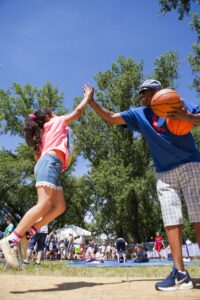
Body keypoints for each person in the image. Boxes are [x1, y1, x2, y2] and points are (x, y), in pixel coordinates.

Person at [89, 79, 200, 291]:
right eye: (140, 93)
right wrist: (92, 102)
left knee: (198, 218)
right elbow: (111, 118)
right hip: (163, 172)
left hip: (190, 163)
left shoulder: (177, 102)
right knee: (170, 221)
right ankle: (180, 274)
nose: (142, 96)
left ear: (159, 92)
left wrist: (188, 117)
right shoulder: (139, 114)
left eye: (146, 92)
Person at [0, 84, 94, 268]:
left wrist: (65, 156)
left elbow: (45, 155)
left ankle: (30, 233)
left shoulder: (47, 133)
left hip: (52, 166)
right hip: (49, 165)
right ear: (50, 116)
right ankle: (11, 240)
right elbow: (77, 111)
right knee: (44, 204)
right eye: (54, 112)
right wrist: (87, 98)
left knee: (59, 206)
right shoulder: (56, 122)